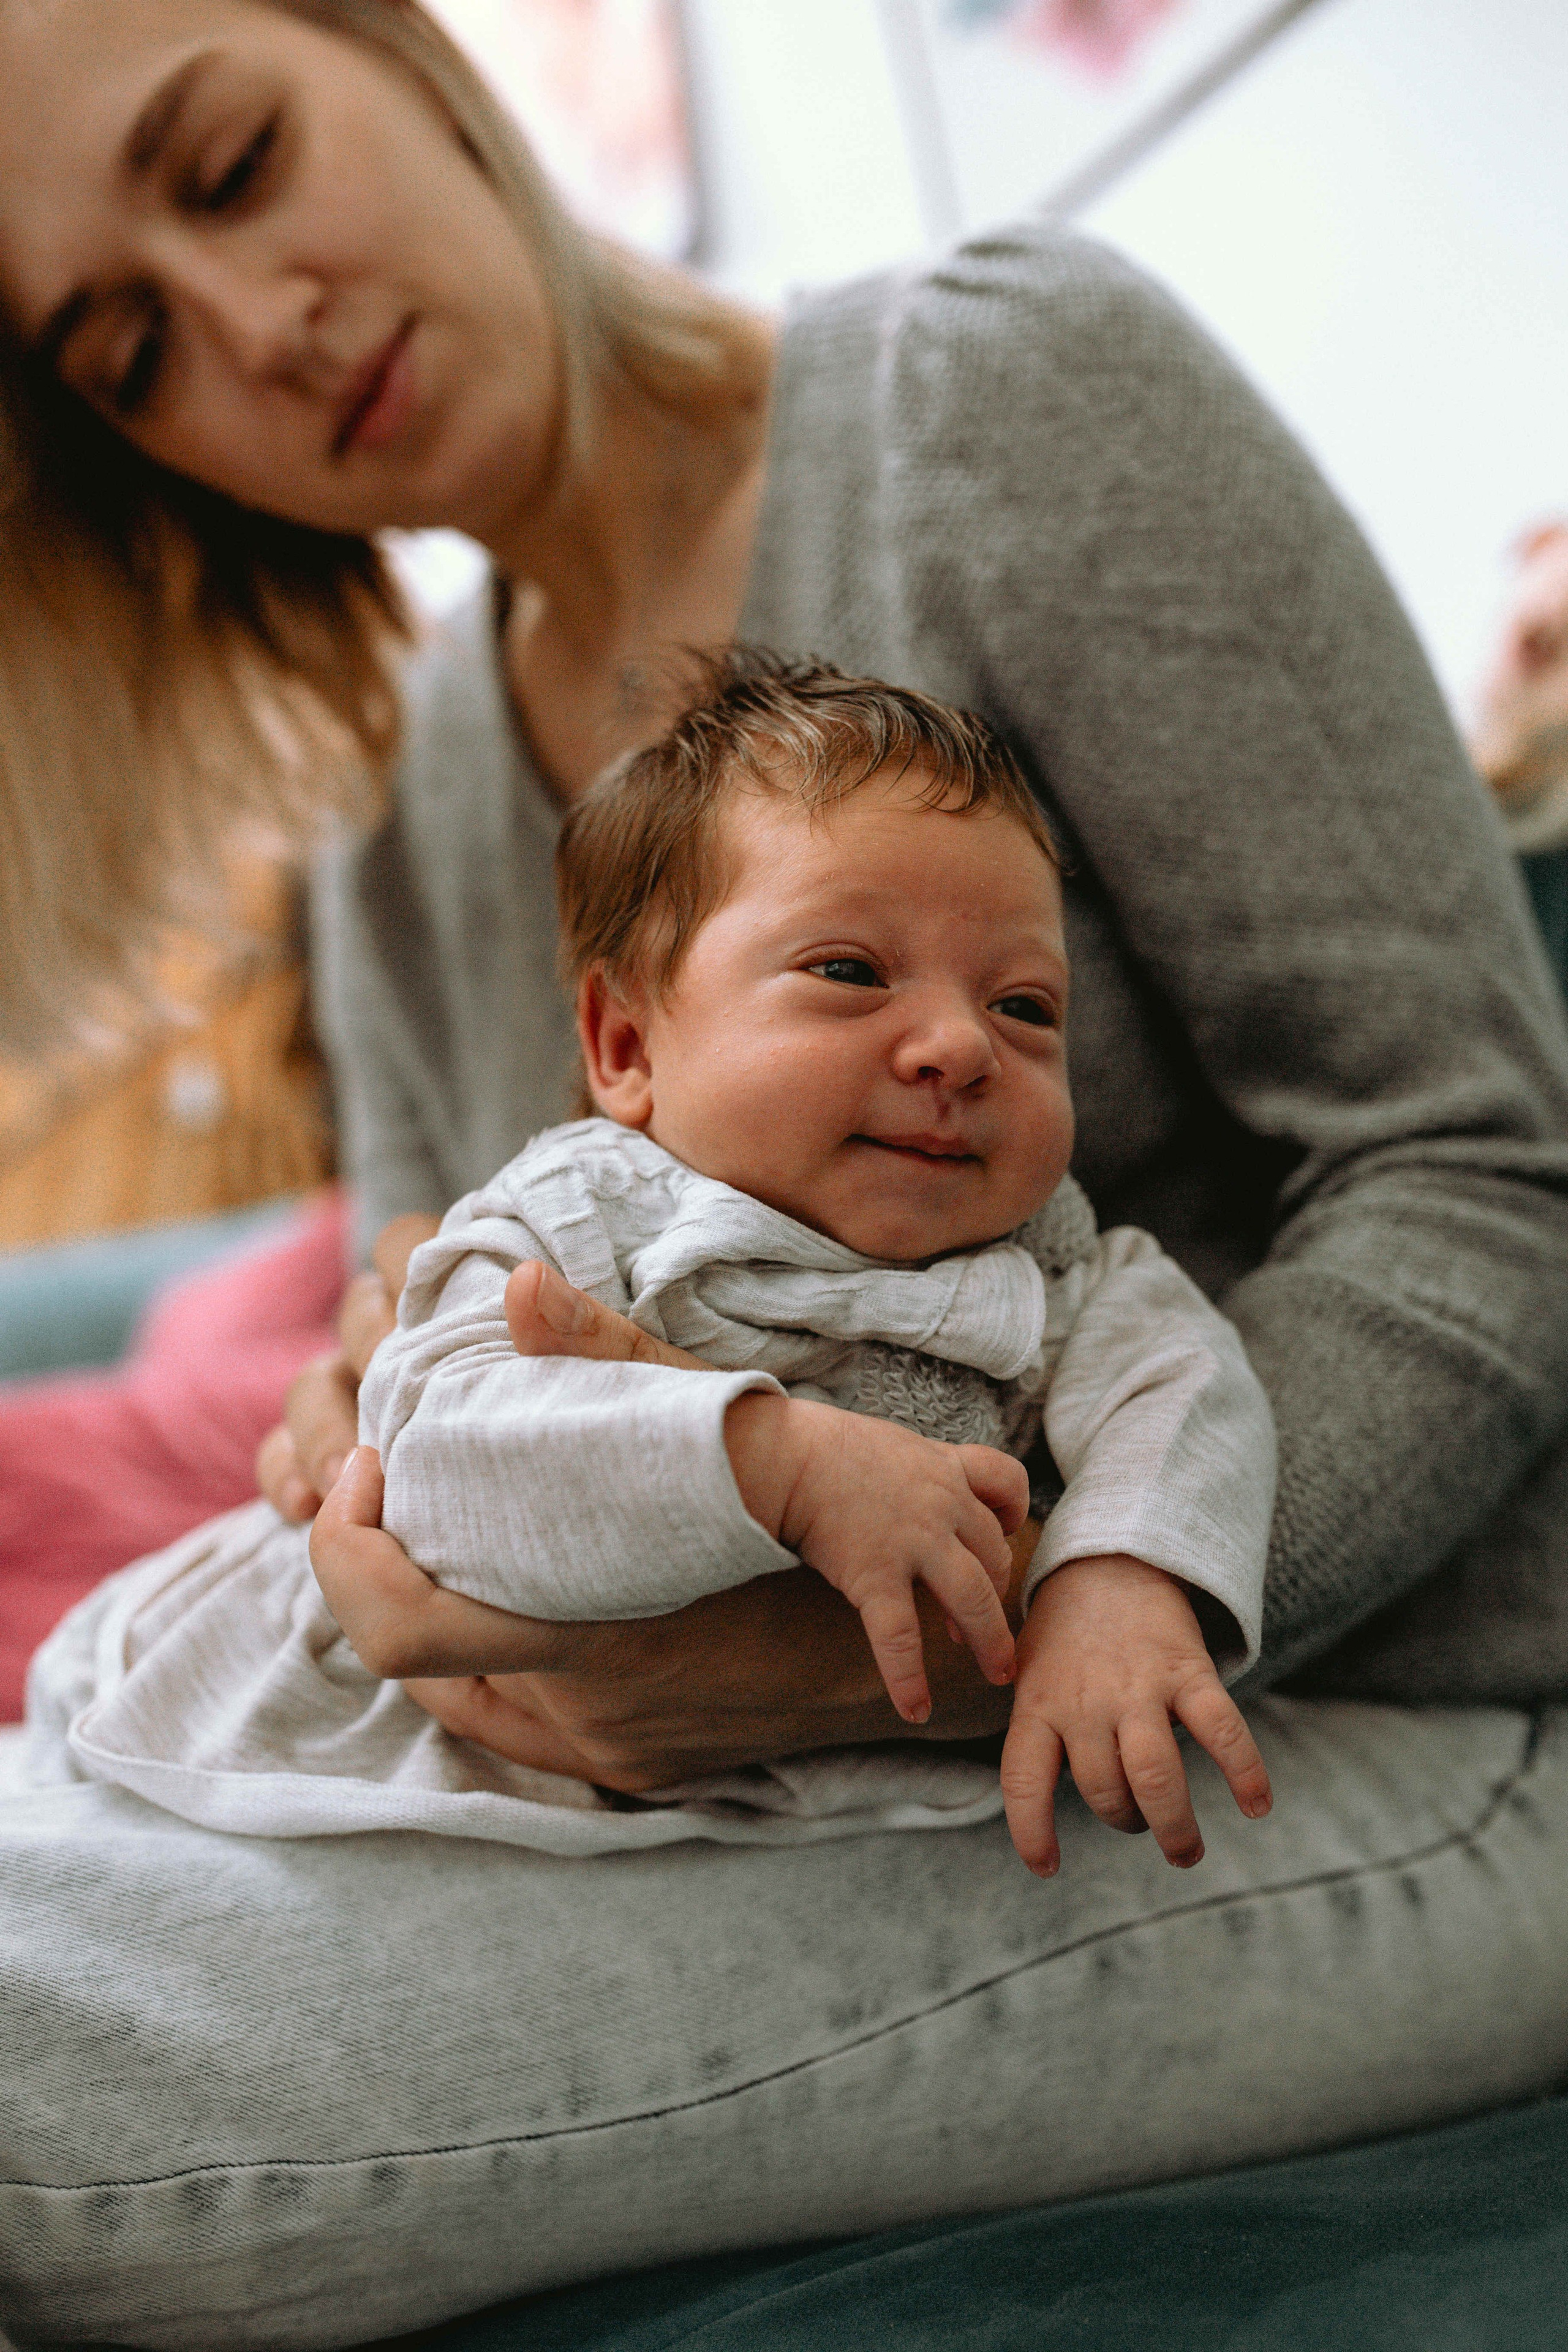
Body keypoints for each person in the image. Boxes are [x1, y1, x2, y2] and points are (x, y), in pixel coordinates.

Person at [2, 2, 1568, 2343]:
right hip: (688, 1766)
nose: (254, 327)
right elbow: (485, 1303)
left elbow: (1483, 1178)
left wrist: (921, 1662)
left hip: (1337, 1707)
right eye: (133, 350)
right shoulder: (400, 814)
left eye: (231, 165)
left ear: (404, 59)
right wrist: (376, 1450)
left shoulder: (1005, 403)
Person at [55, 656, 1275, 1876]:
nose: (959, 1046)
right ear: (625, 1044)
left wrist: (1117, 1575)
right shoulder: (581, 1222)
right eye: (848, 971)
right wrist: (778, 1468)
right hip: (402, 1731)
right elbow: (443, 1463)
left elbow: (1180, 1391)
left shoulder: (1060, 1265)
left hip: (783, 1806)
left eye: (1024, 1008)